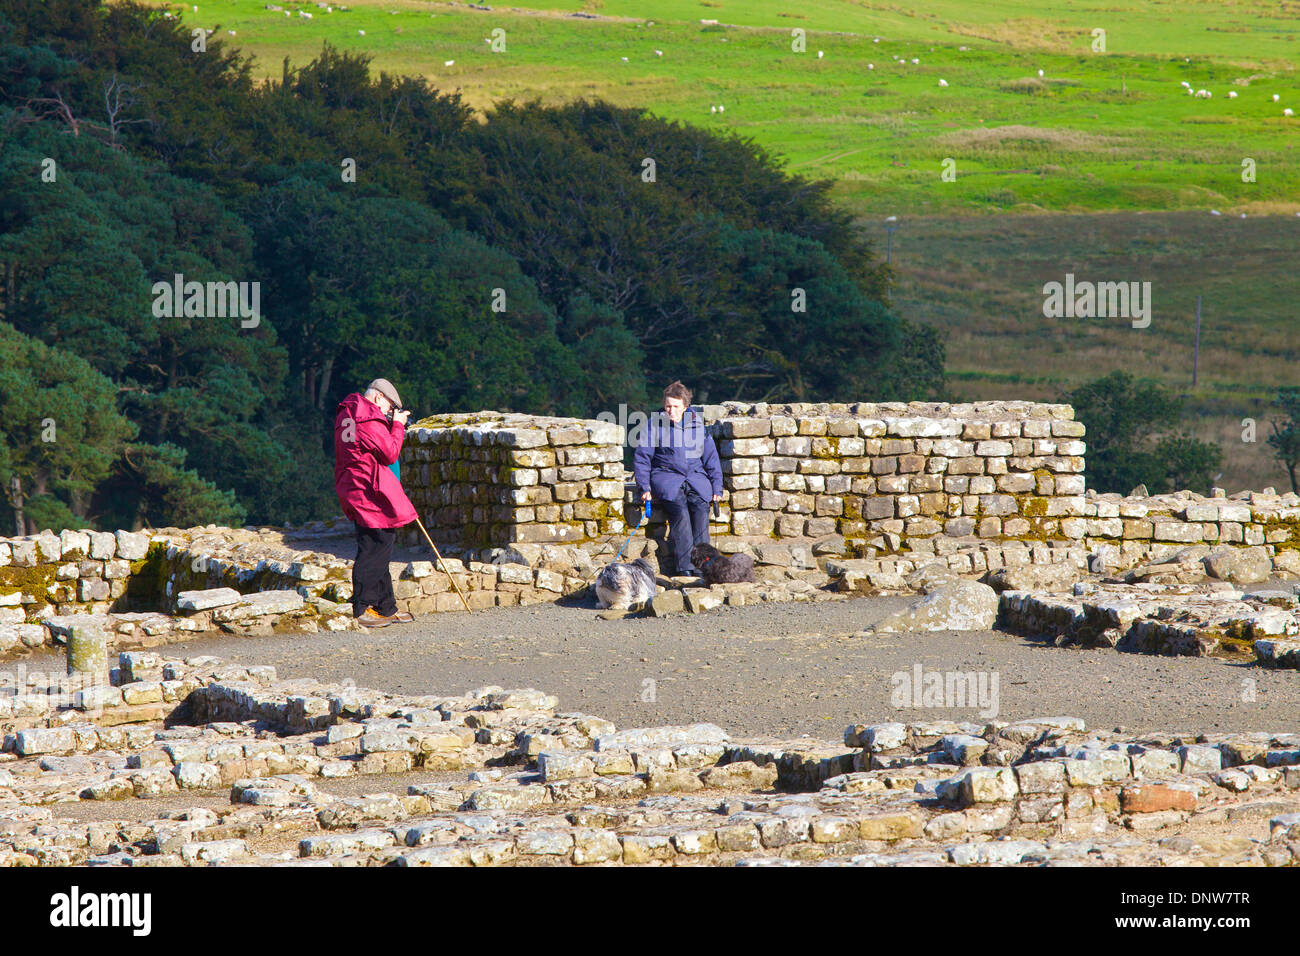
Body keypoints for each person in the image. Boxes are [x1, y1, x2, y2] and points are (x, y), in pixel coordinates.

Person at [334, 378, 417, 628]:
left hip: (353, 485)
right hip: (368, 490)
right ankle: (361, 607)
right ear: (379, 397)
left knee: (379, 542)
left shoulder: (348, 413)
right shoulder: (368, 418)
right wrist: (398, 426)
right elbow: (390, 452)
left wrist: (388, 422)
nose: (390, 413)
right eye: (390, 407)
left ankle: (385, 606)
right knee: (376, 545)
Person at [633, 381, 723, 577]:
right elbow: (642, 458)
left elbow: (711, 459)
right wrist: (644, 487)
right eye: (667, 406)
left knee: (700, 510)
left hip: (696, 479)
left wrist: (717, 488)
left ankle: (704, 567)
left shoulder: (698, 425)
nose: (671, 410)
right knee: (680, 514)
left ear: (685, 406)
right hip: (667, 479)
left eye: (675, 406)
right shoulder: (654, 425)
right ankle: (685, 568)